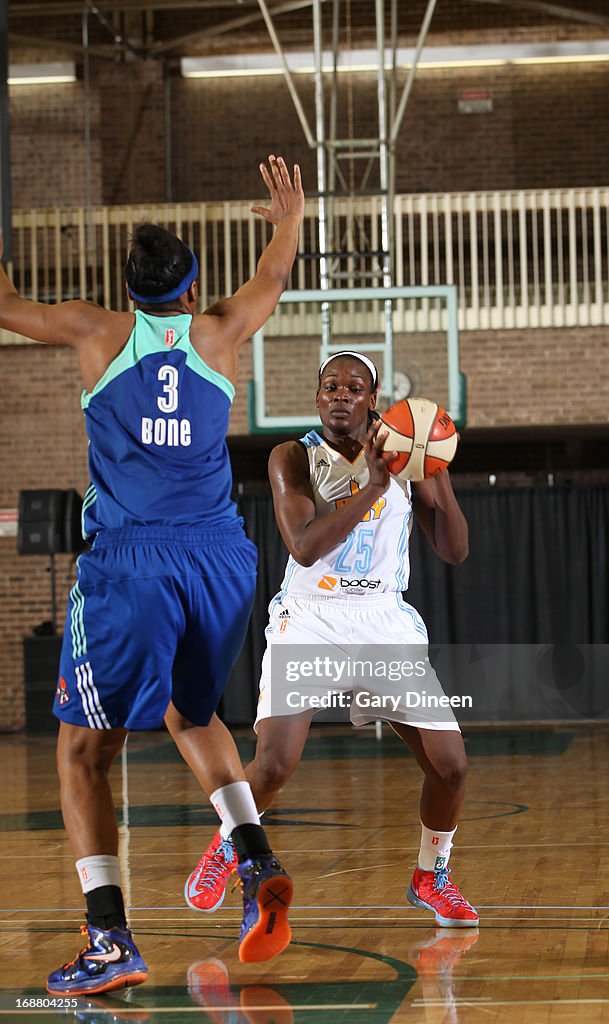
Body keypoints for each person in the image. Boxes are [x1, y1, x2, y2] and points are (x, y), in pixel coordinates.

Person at [0, 155, 305, 994]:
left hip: (133, 565)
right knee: (191, 709)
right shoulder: (220, 331)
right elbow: (274, 272)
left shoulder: (96, 332)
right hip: (220, 557)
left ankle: (109, 939)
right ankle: (254, 862)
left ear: (126, 289)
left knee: (78, 754)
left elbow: (3, 304)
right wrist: (288, 214)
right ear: (191, 284)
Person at [185, 351, 478, 928]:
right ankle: (229, 846)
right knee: (272, 764)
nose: (340, 394)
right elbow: (303, 546)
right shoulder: (291, 456)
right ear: (317, 397)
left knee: (451, 768)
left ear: (374, 399)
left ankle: (430, 875)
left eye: (353, 387)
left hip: (381, 621)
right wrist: (374, 485)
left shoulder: (402, 457)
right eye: (330, 386)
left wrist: (435, 474)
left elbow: (455, 550)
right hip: (311, 617)